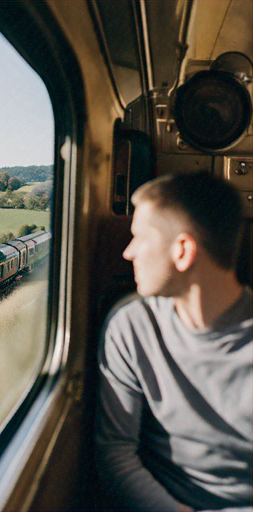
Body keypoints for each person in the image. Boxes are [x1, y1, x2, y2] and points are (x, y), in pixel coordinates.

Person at [95, 172, 252, 511]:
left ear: (182, 251)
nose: (127, 252)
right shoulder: (131, 325)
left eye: (139, 237)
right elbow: (116, 451)